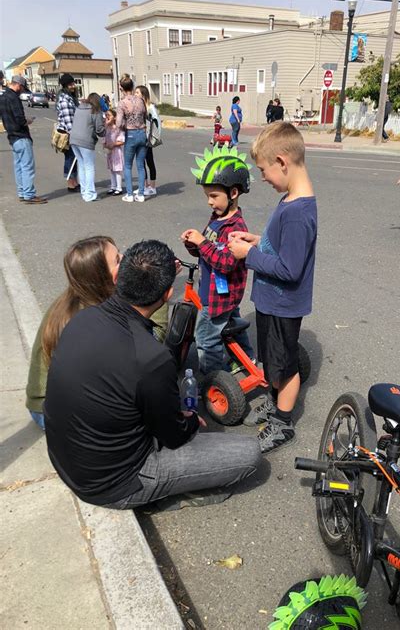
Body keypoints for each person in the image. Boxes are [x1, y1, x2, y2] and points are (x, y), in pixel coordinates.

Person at [44, 239, 261, 509]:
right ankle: (164, 496)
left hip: (71, 461)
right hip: (113, 484)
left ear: (119, 277)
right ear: (169, 294)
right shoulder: (152, 359)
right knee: (249, 454)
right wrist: (191, 421)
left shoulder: (83, 319)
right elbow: (175, 436)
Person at [228, 122, 317, 454]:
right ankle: (274, 397)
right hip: (271, 302)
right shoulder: (290, 199)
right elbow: (280, 248)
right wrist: (257, 242)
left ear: (282, 161)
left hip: (282, 303)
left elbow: (290, 270)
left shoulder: (296, 212)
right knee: (272, 360)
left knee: (285, 366)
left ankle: (283, 421)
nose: (262, 177)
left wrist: (249, 255)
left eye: (264, 170)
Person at [26, 236, 170, 431]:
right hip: (52, 411)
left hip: (48, 402)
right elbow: (148, 348)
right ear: (102, 276)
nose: (126, 258)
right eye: (118, 259)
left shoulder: (74, 300)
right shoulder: (94, 318)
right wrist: (156, 294)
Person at [181, 147, 254, 375]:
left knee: (206, 339)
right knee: (233, 325)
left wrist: (202, 242)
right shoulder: (218, 218)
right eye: (207, 197)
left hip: (217, 299)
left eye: (214, 196)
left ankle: (213, 379)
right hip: (219, 293)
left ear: (233, 193)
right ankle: (246, 357)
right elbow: (207, 252)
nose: (210, 203)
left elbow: (225, 263)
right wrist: (193, 244)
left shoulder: (236, 228)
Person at [0, 75, 47, 204]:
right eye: (22, 88)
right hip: (21, 135)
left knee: (19, 166)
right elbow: (20, 119)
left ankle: (22, 192)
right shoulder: (14, 98)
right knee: (27, 166)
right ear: (18, 85)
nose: (22, 91)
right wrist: (28, 121)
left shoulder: (3, 97)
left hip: (12, 136)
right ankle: (29, 194)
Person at [116, 75, 147, 203]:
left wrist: (124, 127)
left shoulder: (122, 103)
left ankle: (129, 194)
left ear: (121, 88)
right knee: (141, 165)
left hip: (131, 133)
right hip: (142, 132)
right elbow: (145, 115)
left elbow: (118, 123)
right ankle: (141, 193)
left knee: (128, 165)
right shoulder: (140, 101)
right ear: (133, 87)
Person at [69, 93, 106, 202]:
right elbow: (99, 130)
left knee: (81, 165)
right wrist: (106, 128)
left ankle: (84, 192)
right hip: (86, 141)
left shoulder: (79, 108)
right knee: (89, 167)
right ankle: (90, 194)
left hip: (74, 139)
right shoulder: (96, 111)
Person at [135, 85, 161, 196]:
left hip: (147, 139)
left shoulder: (150, 108)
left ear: (143, 94)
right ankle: (145, 186)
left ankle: (152, 186)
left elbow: (157, 123)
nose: (135, 94)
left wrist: (155, 137)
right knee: (141, 162)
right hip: (140, 137)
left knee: (149, 161)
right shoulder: (139, 106)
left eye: (137, 92)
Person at [56, 73, 79, 192]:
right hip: (67, 133)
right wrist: (73, 134)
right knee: (70, 157)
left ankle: (75, 181)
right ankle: (70, 182)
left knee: (74, 157)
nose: (73, 86)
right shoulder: (64, 100)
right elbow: (68, 119)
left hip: (72, 131)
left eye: (73, 83)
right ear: (65, 85)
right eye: (71, 84)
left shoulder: (71, 98)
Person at [104, 108, 125, 195]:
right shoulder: (106, 127)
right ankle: (113, 186)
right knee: (111, 169)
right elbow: (103, 138)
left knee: (117, 169)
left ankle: (119, 187)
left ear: (115, 117)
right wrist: (105, 144)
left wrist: (114, 144)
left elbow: (122, 140)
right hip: (109, 151)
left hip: (116, 151)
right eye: (106, 115)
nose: (107, 117)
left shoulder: (118, 128)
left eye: (109, 115)